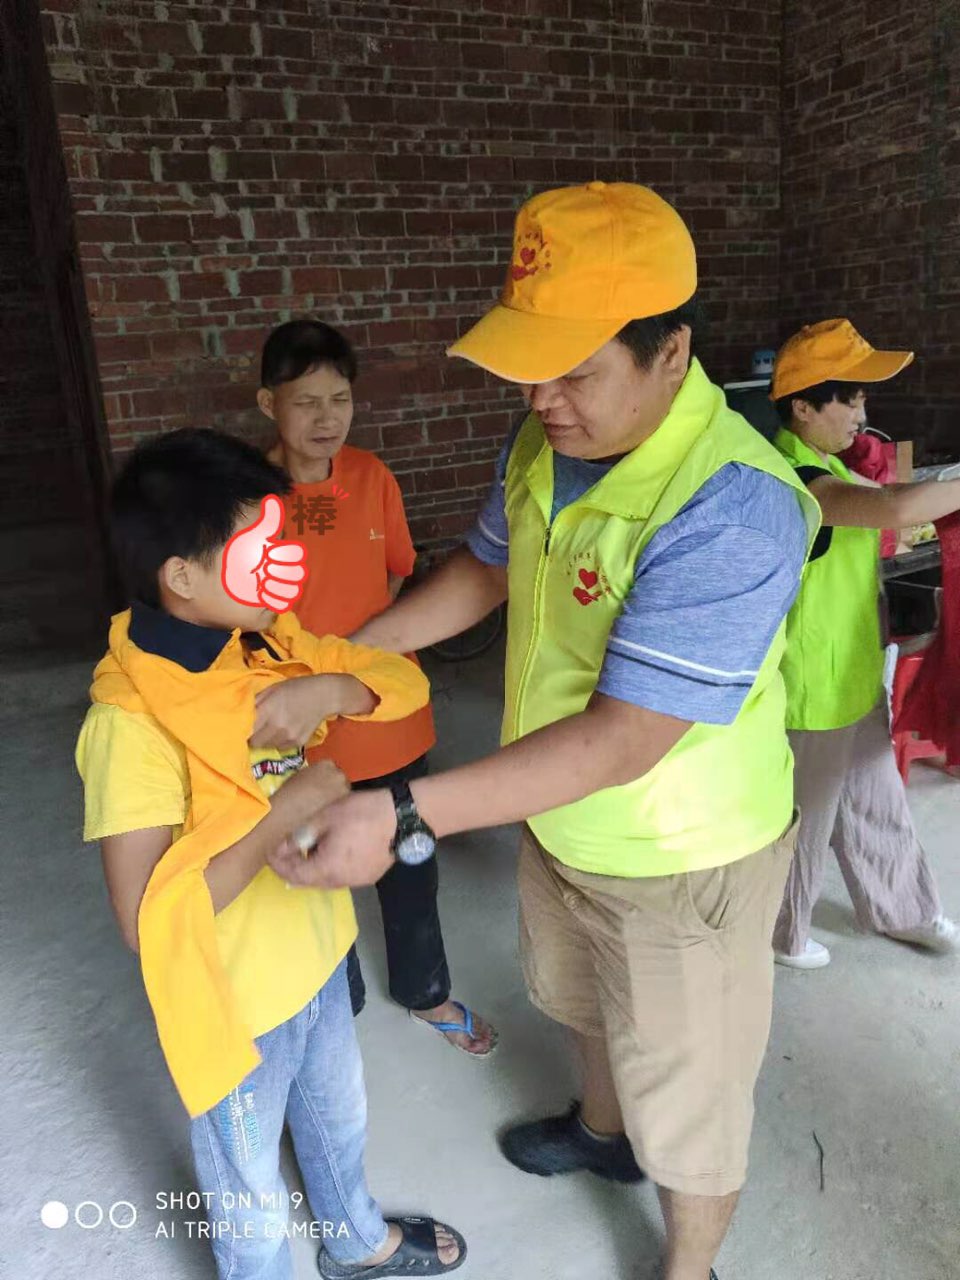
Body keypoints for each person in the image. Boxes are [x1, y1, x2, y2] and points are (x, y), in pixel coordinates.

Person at [264, 181, 820, 1280]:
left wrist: (406, 809)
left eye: (574, 371)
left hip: (680, 856)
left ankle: (688, 1266)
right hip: (558, 818)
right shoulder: (545, 440)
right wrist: (343, 669)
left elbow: (622, 740)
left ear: (672, 353)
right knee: (581, 1000)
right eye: (529, 366)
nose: (541, 397)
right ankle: (601, 1135)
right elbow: (483, 570)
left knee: (693, 1098)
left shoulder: (734, 504)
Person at [74, 428, 465, 1280]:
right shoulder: (129, 726)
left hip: (318, 956)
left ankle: (354, 1240)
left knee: (338, 1119)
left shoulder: (266, 644)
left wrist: (330, 687)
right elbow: (147, 925)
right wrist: (287, 807)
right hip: (233, 1005)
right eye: (261, 547)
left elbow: (404, 681)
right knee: (247, 1192)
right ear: (181, 577)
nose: (287, 563)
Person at [256, 317, 496, 1057]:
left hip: (385, 709)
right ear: (268, 404)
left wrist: (359, 656)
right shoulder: (248, 497)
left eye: (340, 400)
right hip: (298, 721)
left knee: (410, 856)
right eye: (306, 402)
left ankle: (426, 991)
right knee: (307, 860)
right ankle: (336, 999)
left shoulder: (372, 478)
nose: (326, 418)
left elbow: (396, 575)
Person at [769, 318, 960, 968]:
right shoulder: (796, 477)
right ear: (803, 406)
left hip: (852, 673)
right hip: (810, 687)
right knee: (806, 820)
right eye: (849, 399)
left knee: (879, 801)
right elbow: (897, 508)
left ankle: (904, 909)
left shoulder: (828, 463)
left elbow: (898, 501)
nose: (862, 413)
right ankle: (783, 935)